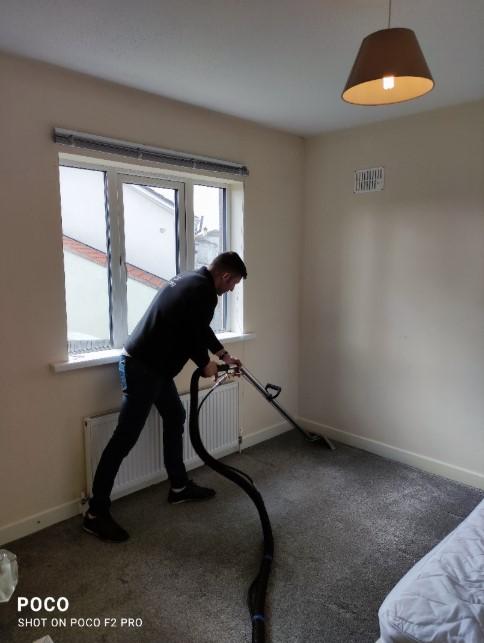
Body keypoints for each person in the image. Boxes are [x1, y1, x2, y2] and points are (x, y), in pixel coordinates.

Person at [83, 251, 247, 542]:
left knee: (175, 415)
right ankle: (95, 514)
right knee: (124, 438)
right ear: (225, 276)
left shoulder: (191, 280)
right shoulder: (204, 292)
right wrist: (205, 364)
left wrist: (222, 355)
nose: (232, 289)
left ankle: (179, 487)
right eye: (233, 283)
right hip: (142, 368)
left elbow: (197, 327)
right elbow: (191, 334)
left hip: (153, 368)